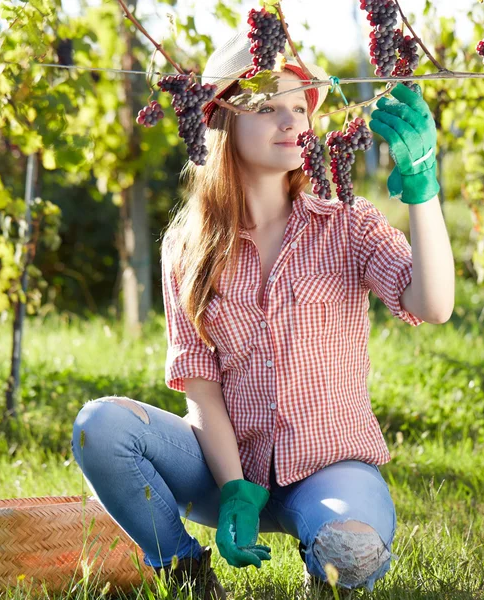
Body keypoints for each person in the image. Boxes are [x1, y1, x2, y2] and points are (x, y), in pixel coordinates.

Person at [71, 22, 454, 600]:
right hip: (224, 467)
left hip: (329, 466)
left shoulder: (346, 224)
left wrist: (424, 193)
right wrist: (233, 490)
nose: (291, 122)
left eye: (299, 108)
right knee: (99, 428)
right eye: (268, 106)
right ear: (222, 118)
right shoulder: (189, 248)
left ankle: (319, 548)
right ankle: (185, 574)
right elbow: (201, 394)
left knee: (350, 554)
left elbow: (433, 303)